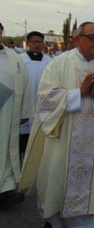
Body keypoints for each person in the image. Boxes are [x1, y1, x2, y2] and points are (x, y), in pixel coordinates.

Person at [19, 22, 94, 227]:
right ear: (77, 40)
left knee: (92, 210)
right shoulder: (59, 64)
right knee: (57, 190)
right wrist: (78, 93)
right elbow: (45, 99)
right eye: (92, 38)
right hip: (64, 144)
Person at [0, 22, 33, 208]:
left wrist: (26, 111)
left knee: (6, 151)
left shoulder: (15, 58)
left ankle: (5, 191)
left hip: (7, 114)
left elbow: (25, 83)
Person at [19, 31, 52, 159]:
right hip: (25, 105)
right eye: (34, 42)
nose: (37, 45)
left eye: (40, 42)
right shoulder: (20, 61)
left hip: (43, 106)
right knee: (23, 140)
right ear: (28, 43)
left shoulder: (49, 62)